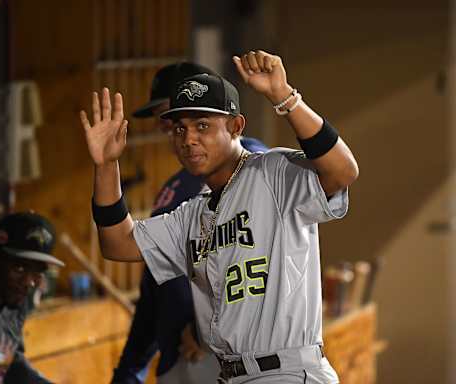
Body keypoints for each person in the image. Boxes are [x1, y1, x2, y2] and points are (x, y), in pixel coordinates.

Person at [81, 49, 359, 383]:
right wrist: (107, 165)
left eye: (202, 125)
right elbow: (117, 244)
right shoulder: (192, 213)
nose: (189, 139)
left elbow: (342, 171)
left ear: (235, 126)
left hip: (285, 371)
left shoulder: (271, 172)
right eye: (180, 128)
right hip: (230, 374)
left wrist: (285, 97)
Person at [112, 62, 268, 384]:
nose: (165, 125)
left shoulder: (251, 163)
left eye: (168, 111)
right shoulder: (173, 188)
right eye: (165, 119)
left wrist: (206, 326)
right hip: (177, 357)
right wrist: (130, 370)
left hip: (229, 356)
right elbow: (155, 285)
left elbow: (257, 257)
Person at [0, 212, 65, 384]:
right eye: (19, 268)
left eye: (37, 272)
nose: (29, 282)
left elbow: (10, 362)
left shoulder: (14, 297)